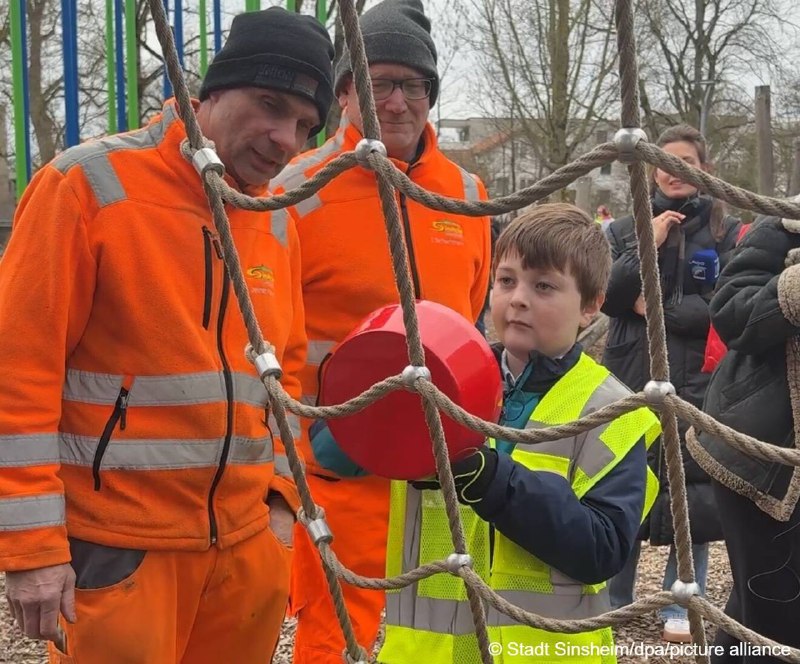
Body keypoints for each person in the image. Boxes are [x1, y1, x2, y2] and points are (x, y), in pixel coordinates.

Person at [0, 9, 334, 663]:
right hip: (121, 549)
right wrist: (31, 545)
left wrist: (282, 501)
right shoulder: (89, 187)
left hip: (243, 553)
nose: (285, 138)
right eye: (270, 104)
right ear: (207, 93)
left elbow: (284, 377)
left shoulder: (274, 221)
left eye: (304, 124)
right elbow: (17, 369)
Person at [270, 1, 491, 661]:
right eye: (377, 82)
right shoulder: (297, 191)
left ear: (431, 95)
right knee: (336, 634)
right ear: (345, 93)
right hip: (337, 464)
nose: (395, 101)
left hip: (437, 462)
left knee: (439, 630)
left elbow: (469, 315)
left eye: (411, 85)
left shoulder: (467, 194)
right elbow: (269, 332)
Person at [377, 204, 661, 663]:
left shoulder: (612, 411)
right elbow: (342, 454)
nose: (518, 298)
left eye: (543, 285)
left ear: (591, 306)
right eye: (506, 281)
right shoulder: (442, 383)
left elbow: (602, 548)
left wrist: (490, 478)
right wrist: (368, 390)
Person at [602, 124, 740, 642]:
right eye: (663, 160)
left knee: (692, 491)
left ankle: (684, 599)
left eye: (683, 160)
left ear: (701, 170)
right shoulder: (622, 229)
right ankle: (614, 599)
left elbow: (725, 308)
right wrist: (647, 242)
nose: (670, 169)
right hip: (631, 373)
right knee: (624, 487)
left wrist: (659, 308)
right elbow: (607, 291)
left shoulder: (730, 233)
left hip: (699, 380)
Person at [690, 211, 800, 662]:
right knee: (771, 607)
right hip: (763, 461)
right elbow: (731, 311)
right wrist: (793, 290)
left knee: (758, 606)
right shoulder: (783, 226)